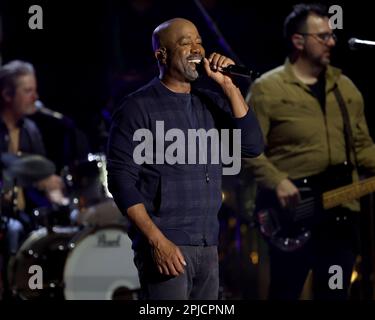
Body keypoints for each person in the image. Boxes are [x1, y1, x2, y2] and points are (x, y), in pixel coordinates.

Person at [107, 17, 263, 300]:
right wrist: (156, 241)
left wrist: (228, 86)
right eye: (185, 42)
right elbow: (120, 181)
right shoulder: (137, 108)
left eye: (200, 41)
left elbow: (252, 146)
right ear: (161, 55)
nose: (197, 49)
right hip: (167, 246)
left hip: (208, 245)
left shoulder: (210, 103)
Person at [244, 3, 375, 300]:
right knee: (286, 293)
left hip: (341, 216)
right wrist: (277, 181)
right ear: (298, 40)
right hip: (291, 216)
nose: (333, 42)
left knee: (335, 293)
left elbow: (364, 148)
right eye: (323, 36)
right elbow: (247, 149)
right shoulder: (268, 89)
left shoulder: (346, 89)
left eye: (332, 35)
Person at [0, 60, 67, 254]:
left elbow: (41, 173)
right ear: (7, 95)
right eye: (28, 91)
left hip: (25, 214)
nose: (35, 97)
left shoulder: (31, 130)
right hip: (6, 218)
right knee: (14, 229)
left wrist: (60, 200)